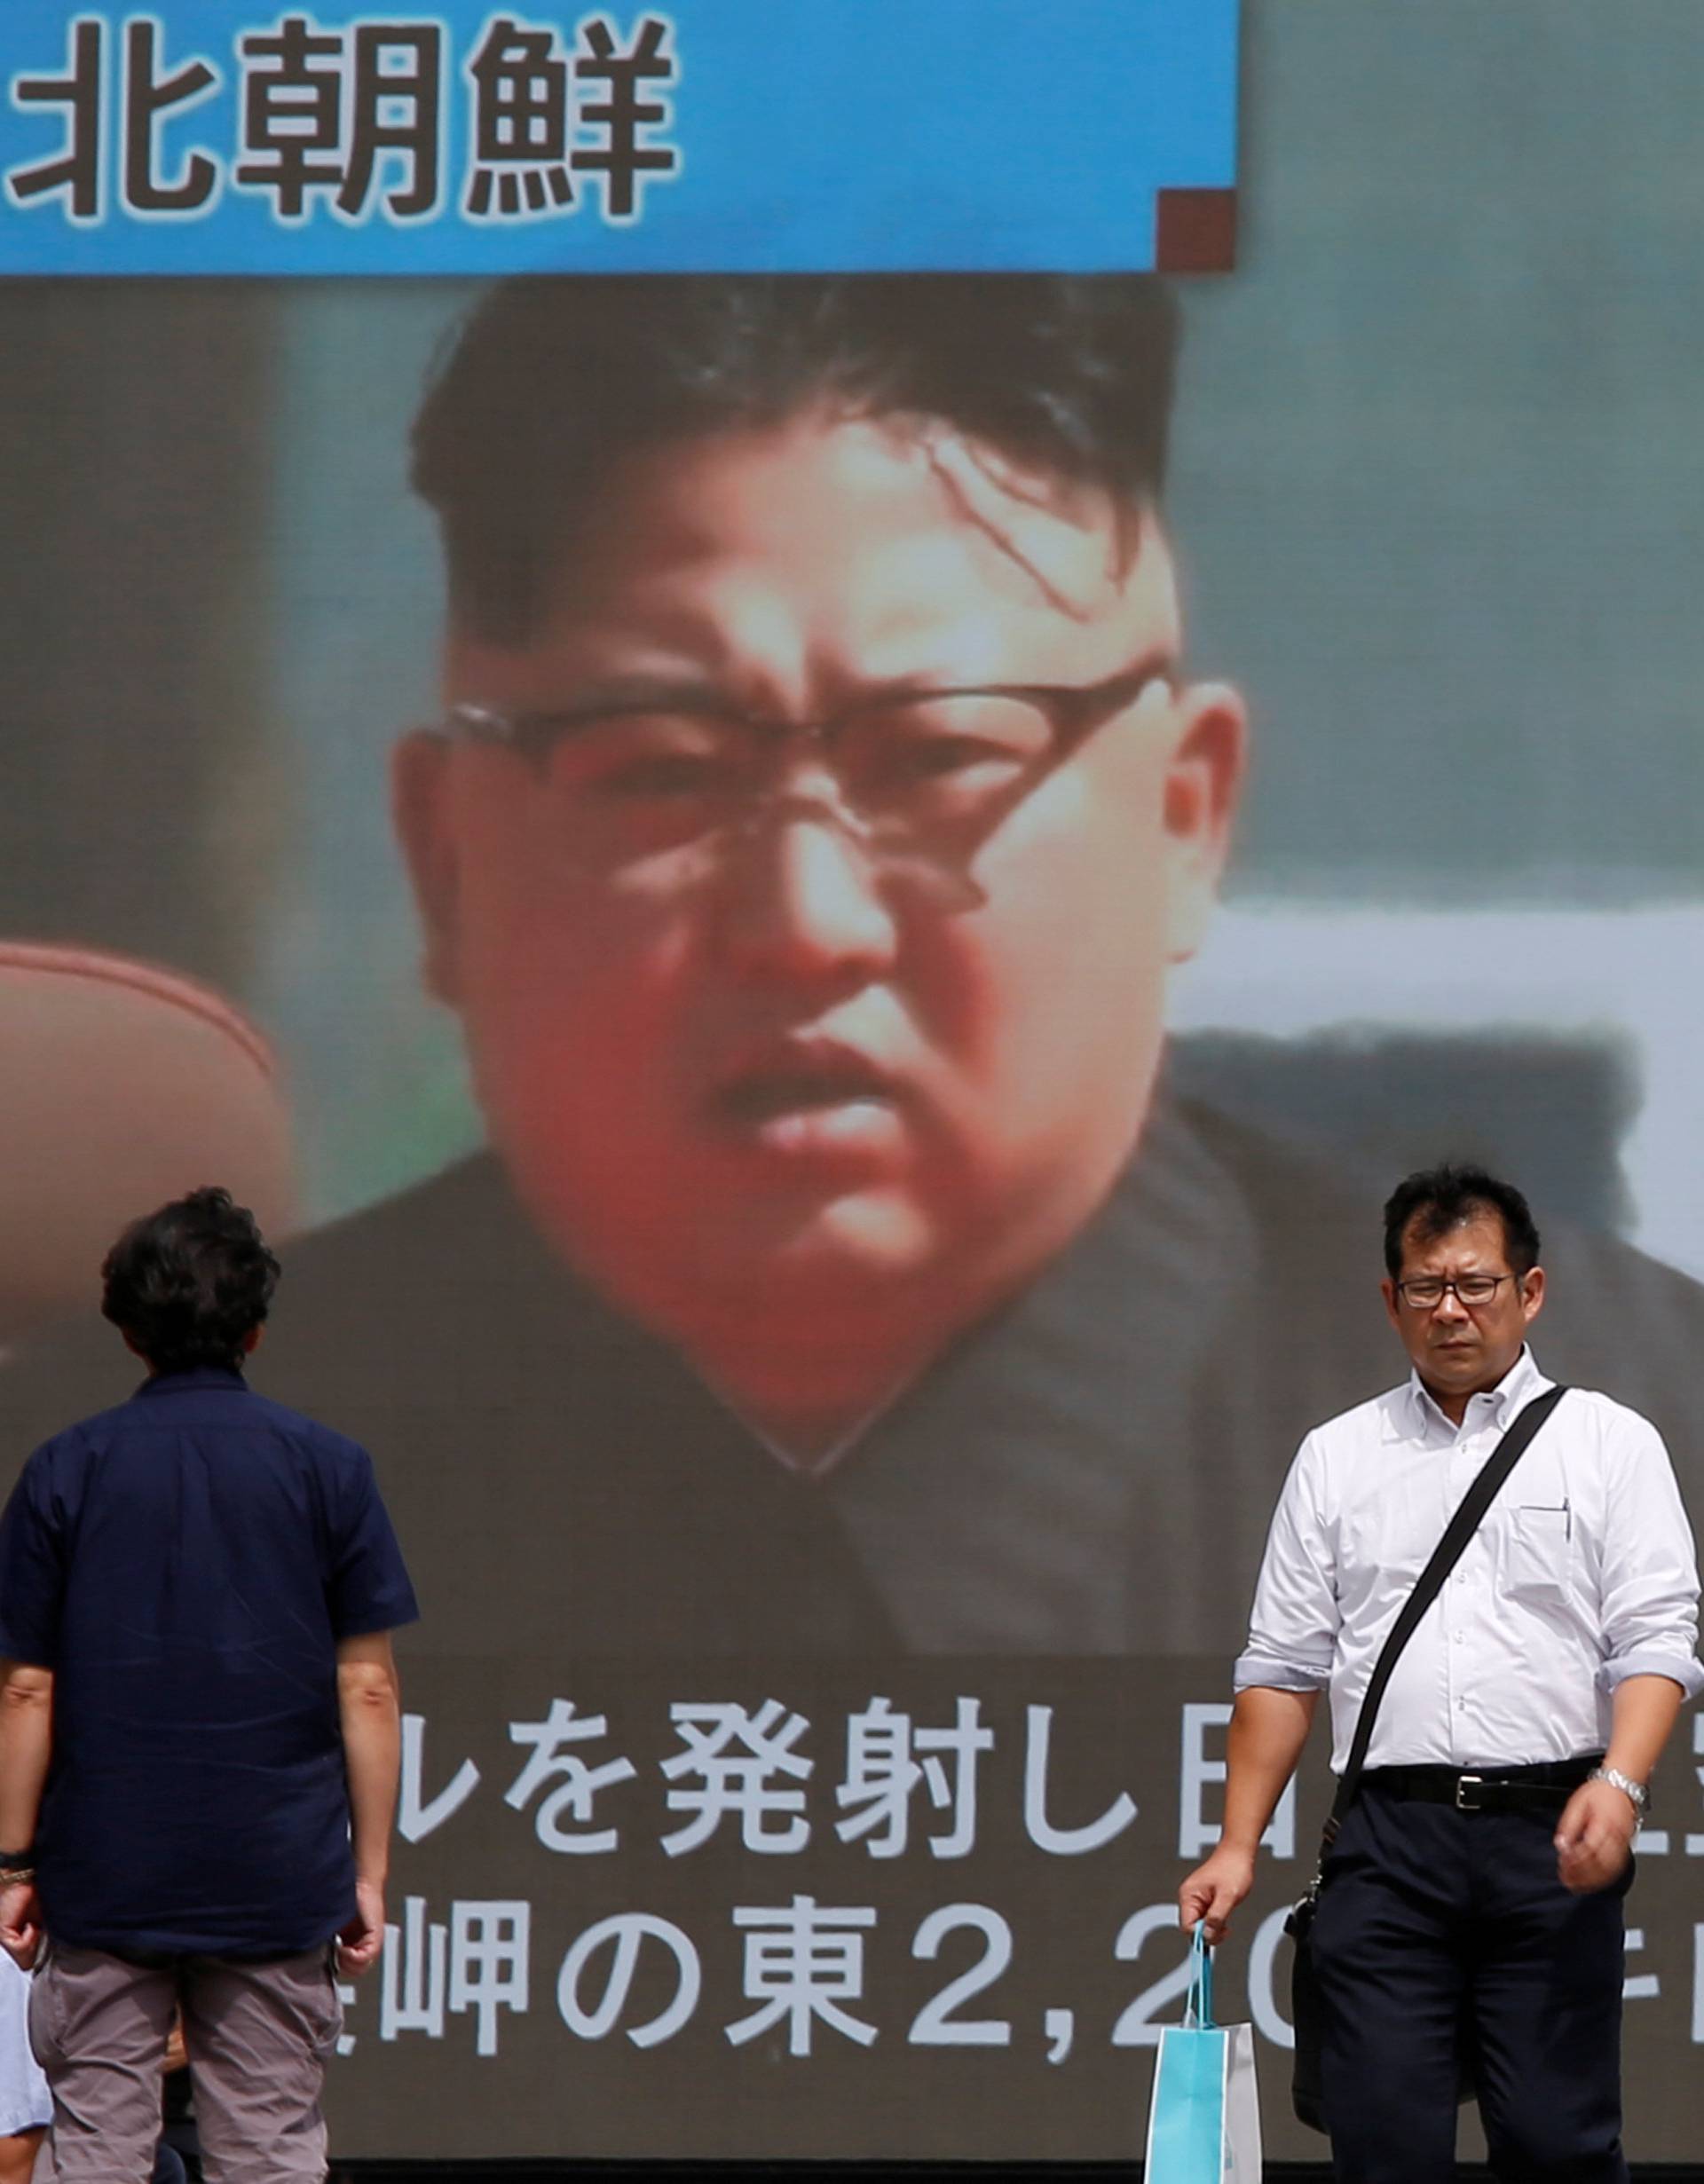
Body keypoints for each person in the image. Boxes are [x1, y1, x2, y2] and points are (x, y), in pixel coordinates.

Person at [4, 277, 1704, 1662]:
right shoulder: (101, 1521)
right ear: (447, 857)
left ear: (1185, 817)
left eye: (941, 758)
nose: (807, 919)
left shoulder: (1634, 1476)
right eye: (662, 764)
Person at [1178, 1163, 1701, 2183]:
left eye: (1477, 1284)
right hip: (1388, 1846)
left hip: (1549, 1836)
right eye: (1426, 1287)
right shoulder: (1338, 1456)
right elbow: (1283, 1669)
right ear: (1391, 1300)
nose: (1451, 1310)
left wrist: (1621, 1783)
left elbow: (1657, 1639)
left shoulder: (1609, 1444)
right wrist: (1237, 1844)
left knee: (1560, 2146)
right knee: (1384, 2152)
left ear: (1530, 1291)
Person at [0, 1187, 418, 2183]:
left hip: (104, 1874)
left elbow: (26, 1692)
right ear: (256, 1327)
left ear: (129, 1329)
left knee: (96, 2145)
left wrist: (14, 1862)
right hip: (275, 1874)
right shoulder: (330, 1468)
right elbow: (367, 1687)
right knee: (269, 2151)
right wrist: (367, 1874)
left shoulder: (67, 1469)